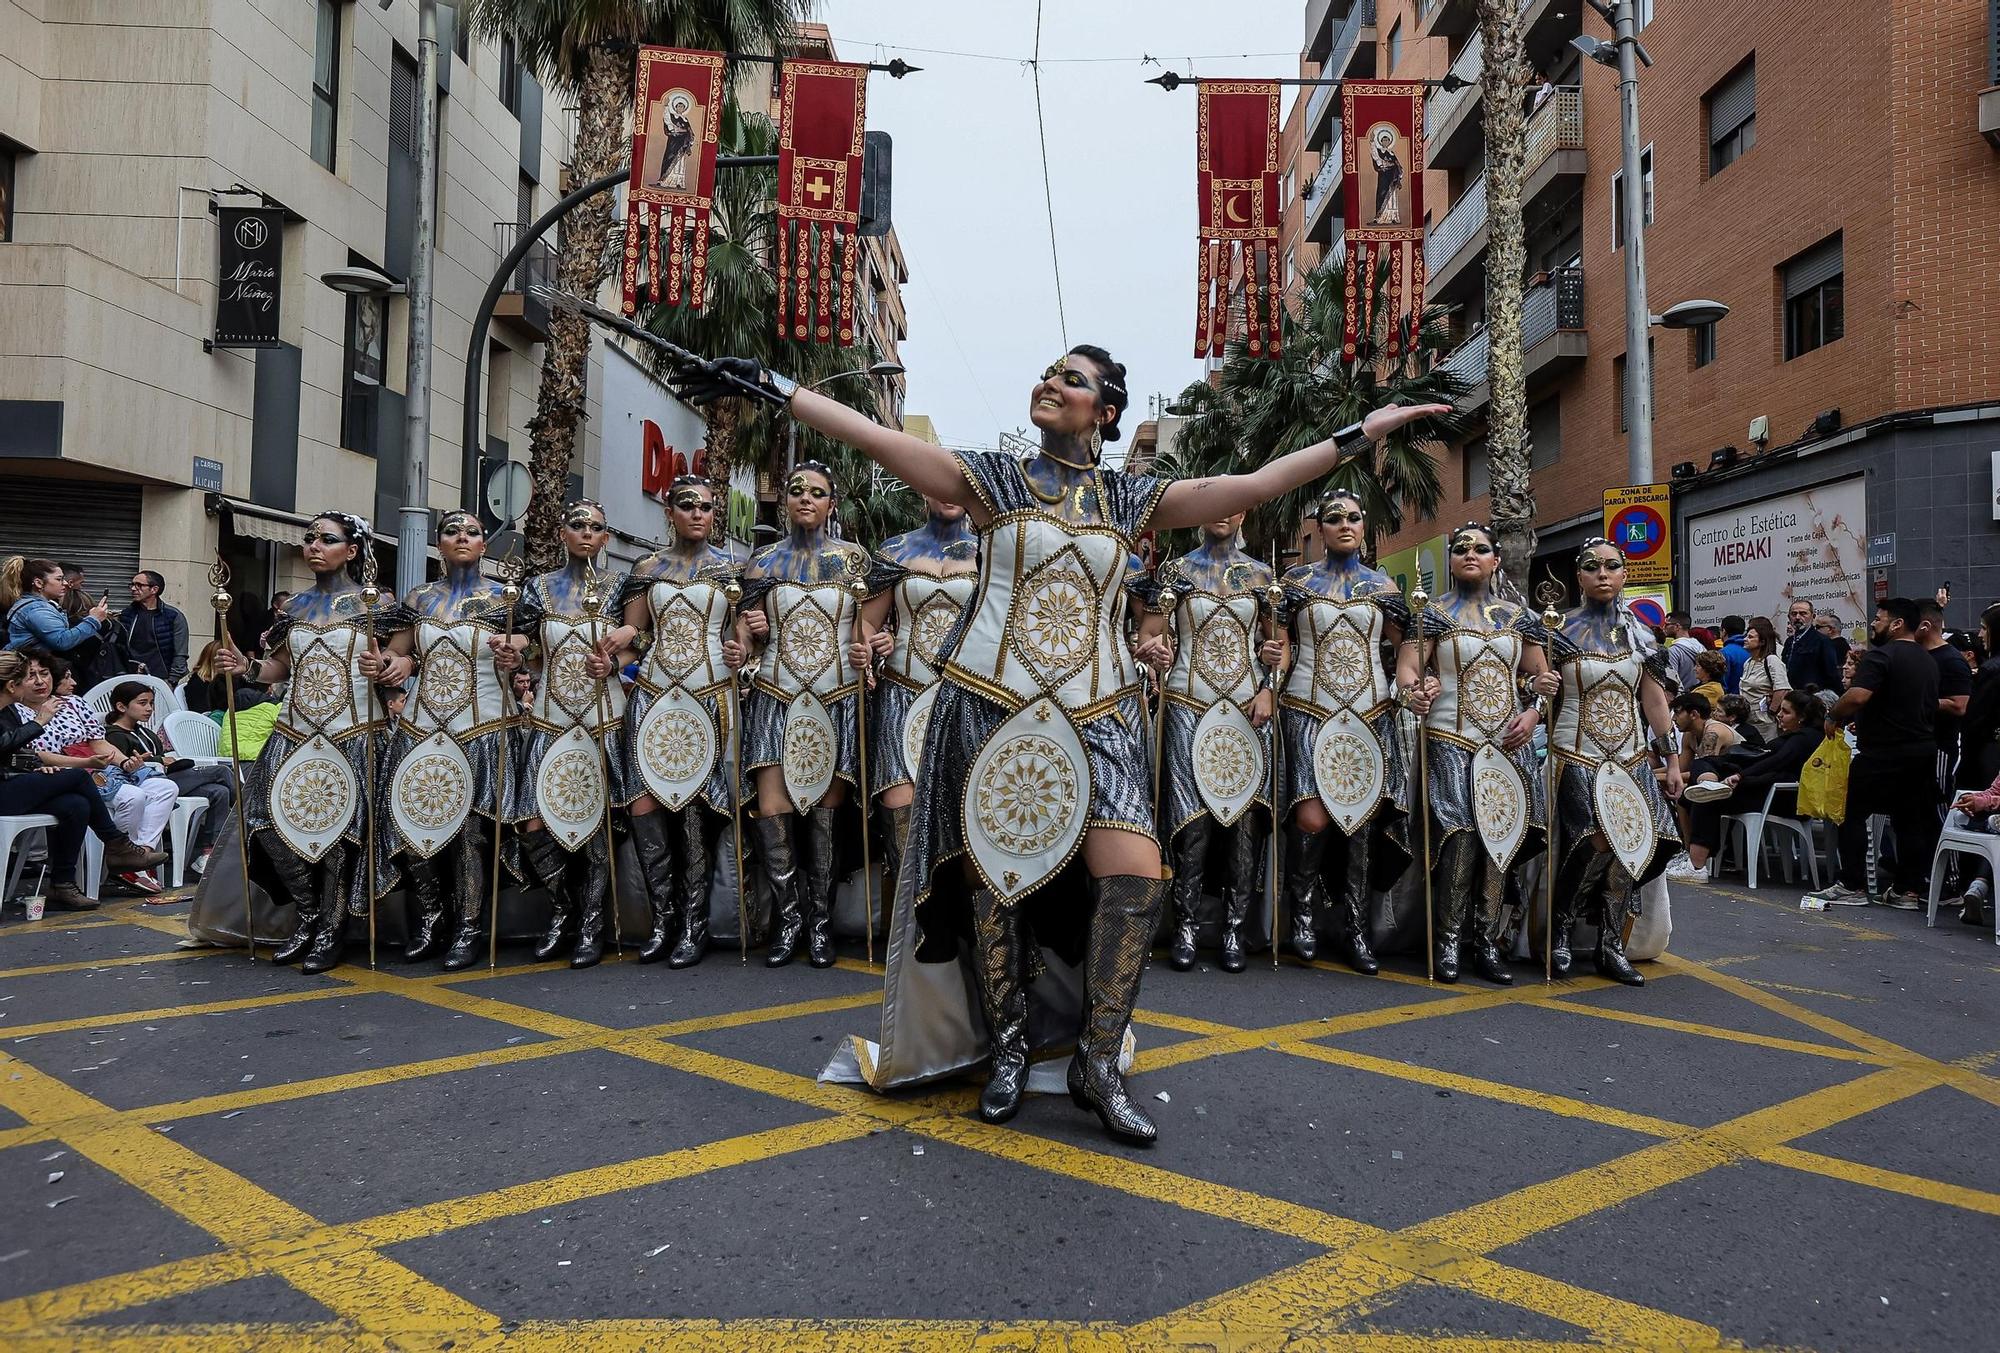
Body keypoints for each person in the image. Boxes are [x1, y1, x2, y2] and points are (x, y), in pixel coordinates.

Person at [675, 341, 1446, 1145]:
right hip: (988, 701)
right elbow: (877, 439)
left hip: (1102, 710)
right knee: (994, 878)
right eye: (1047, 373)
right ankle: (1008, 1042)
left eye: (1071, 379)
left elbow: (1254, 484)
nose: (1049, 382)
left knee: (1137, 871)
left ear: (1106, 413)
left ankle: (1097, 1060)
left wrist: (1366, 429)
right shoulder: (993, 480)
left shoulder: (1132, 498)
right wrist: (774, 385)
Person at [210, 512, 406, 974]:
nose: (314, 546)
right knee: (269, 825)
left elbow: (399, 656)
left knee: (338, 834)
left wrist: (390, 668)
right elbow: (277, 670)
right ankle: (309, 914)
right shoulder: (293, 607)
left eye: (328, 539)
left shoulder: (375, 602)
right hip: (294, 730)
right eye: (310, 538)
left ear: (352, 551)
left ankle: (332, 929)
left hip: (355, 734)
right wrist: (244, 666)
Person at [732, 463, 876, 969]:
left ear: (832, 504)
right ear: (786, 502)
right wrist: (751, 634)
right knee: (773, 809)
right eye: (796, 492)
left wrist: (870, 653)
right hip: (776, 692)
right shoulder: (762, 562)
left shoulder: (855, 561)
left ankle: (819, 921)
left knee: (824, 812)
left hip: (835, 697)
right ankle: (789, 917)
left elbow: (868, 629)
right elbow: (743, 637)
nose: (806, 500)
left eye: (817, 493)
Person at [1263, 490, 1410, 976]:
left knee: (1362, 826)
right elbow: (1280, 648)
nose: (1345, 525)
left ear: (1365, 525)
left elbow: (1407, 646)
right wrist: (1269, 682)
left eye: (1353, 516)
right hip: (1307, 707)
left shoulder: (1384, 587)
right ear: (1319, 529)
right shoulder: (1296, 583)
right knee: (1311, 819)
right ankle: (1301, 915)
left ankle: (1355, 927)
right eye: (1333, 518)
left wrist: (1413, 680)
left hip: (1370, 714)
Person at [1398, 522, 1552, 986]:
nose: (1470, 554)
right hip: (1450, 738)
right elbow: (1408, 668)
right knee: (1460, 840)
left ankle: (1486, 940)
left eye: (1480, 549)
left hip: (1507, 744)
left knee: (1498, 842)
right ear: (1451, 560)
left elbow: (1542, 679)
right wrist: (1416, 692)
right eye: (1461, 548)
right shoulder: (1433, 613)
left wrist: (1535, 713)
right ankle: (1447, 941)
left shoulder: (1517, 616)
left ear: (1496, 561)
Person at [380, 510, 526, 970]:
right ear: (438, 544)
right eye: (452, 532)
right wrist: (394, 665)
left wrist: (516, 653)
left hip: (482, 727)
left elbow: (530, 643)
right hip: (422, 728)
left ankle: (469, 927)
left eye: (472, 532)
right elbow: (400, 652)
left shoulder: (505, 597)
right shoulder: (419, 597)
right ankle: (431, 916)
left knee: (469, 834)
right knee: (412, 823)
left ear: (485, 545)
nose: (462, 537)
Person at [1137, 511, 1277, 975]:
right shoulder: (1175, 571)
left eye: (1235, 505)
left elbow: (1278, 645)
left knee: (1244, 822)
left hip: (1245, 709)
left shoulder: (1262, 575)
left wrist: (1268, 686)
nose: (1224, 513)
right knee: (1189, 823)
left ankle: (1235, 928)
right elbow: (1151, 633)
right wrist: (1154, 649)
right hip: (1187, 703)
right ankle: (1186, 926)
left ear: (1242, 513)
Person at [508, 499, 640, 970]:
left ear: (607, 539)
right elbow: (523, 639)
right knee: (532, 821)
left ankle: (591, 924)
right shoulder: (536, 588)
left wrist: (617, 659)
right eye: (577, 525)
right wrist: (511, 650)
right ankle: (564, 906)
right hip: (549, 716)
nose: (586, 533)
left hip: (603, 716)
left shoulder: (620, 585)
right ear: (562, 533)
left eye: (596, 528)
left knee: (598, 824)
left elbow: (642, 637)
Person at [1542, 538, 1680, 984]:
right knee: (1596, 839)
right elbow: (1542, 695)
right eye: (1591, 566)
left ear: (1624, 574)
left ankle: (1610, 944)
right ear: (1577, 576)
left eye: (1611, 566)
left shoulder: (1639, 634)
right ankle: (1560, 928)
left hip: (1631, 754)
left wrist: (1672, 759)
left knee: (1635, 845)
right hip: (1574, 752)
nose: (1602, 573)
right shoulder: (1556, 629)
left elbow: (1654, 701)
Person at [620, 476, 742, 968]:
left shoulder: (732, 570)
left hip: (709, 697)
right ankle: (663, 919)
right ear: (668, 511)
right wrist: (618, 646)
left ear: (716, 515)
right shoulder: (647, 567)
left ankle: (694, 924)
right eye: (686, 505)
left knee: (692, 808)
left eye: (706, 507)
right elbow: (635, 638)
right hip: (652, 697)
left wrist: (744, 646)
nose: (697, 513)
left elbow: (747, 639)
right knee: (646, 804)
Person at [852, 492, 980, 950]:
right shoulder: (894, 551)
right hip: (902, 691)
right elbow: (867, 624)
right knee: (899, 803)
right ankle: (913, 922)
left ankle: (962, 924)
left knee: (965, 807)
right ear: (926, 491)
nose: (948, 497)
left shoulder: (988, 551)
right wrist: (871, 645)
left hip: (965, 698)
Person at [0, 652, 166, 910]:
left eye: (42, 674)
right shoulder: (15, 711)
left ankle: (62, 885)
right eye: (27, 677)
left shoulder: (11, 710)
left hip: (15, 782)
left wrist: (35, 768)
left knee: (76, 805)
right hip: (5, 790)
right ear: (13, 686)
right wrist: (40, 722)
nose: (36, 682)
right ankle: (116, 845)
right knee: (78, 778)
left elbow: (19, 754)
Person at [1804, 598, 1940, 910]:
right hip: (1921, 750)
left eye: (1878, 619)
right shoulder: (1928, 660)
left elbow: (1858, 695)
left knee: (1850, 811)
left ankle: (1853, 884)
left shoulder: (1883, 656)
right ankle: (1907, 891)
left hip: (1884, 751)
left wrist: (1833, 715)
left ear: (1896, 624)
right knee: (1909, 819)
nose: (1873, 625)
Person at [1670, 690, 1824, 884]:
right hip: (1765, 788)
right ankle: (1694, 852)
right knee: (1704, 776)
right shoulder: (1796, 736)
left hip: (1779, 797)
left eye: (1786, 712)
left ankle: (1697, 865)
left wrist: (1741, 776)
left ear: (1801, 717)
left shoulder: (1804, 738)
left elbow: (1776, 761)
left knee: (1707, 797)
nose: (1779, 715)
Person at [102, 681, 236, 879]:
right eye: (142, 703)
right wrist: (159, 760)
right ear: (121, 706)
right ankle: (244, 813)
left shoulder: (146, 733)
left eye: (151, 703)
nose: (149, 708)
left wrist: (165, 760)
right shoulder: (113, 736)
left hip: (169, 779)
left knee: (219, 791)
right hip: (147, 784)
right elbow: (124, 766)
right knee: (221, 771)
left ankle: (209, 852)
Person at [2, 557, 109, 661]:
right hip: (31, 669)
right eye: (59, 579)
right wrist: (93, 619)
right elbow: (61, 641)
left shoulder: (37, 605)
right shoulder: (36, 609)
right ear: (39, 583)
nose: (65, 583)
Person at [1917, 597, 1972, 789]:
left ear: (1925, 625)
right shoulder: (1917, 655)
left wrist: (1914, 700)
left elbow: (1959, 705)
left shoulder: (1951, 660)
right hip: (1913, 745)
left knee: (1936, 804)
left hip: (1938, 747)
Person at [118, 570, 190, 685]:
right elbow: (120, 648)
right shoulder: (127, 614)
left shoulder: (173, 616)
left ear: (154, 590)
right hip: (132, 678)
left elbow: (180, 653)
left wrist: (172, 681)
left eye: (139, 585)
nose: (133, 589)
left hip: (163, 680)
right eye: (132, 584)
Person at [1739, 616, 1792, 742]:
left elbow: (1782, 688)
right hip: (1748, 720)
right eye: (1747, 636)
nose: (1745, 639)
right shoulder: (1748, 662)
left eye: (1751, 637)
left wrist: (1772, 712)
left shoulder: (1772, 660)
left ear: (1762, 641)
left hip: (1765, 723)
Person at [1782, 600, 1841, 693]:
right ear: (1789, 617)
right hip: (1791, 696)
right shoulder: (1789, 642)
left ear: (1813, 617)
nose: (1797, 617)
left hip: (1812, 698)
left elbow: (1832, 674)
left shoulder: (1822, 641)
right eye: (1794, 614)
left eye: (1803, 613)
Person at [1661, 611, 1706, 693]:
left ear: (1677, 626)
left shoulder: (1673, 651)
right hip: (1700, 697)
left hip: (1681, 700)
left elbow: (1671, 681)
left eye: (1667, 624)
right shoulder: (1702, 648)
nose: (1663, 627)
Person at [1719, 615, 1749, 693]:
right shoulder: (1752, 650)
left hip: (1730, 700)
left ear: (1724, 631)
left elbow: (1722, 683)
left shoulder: (1724, 653)